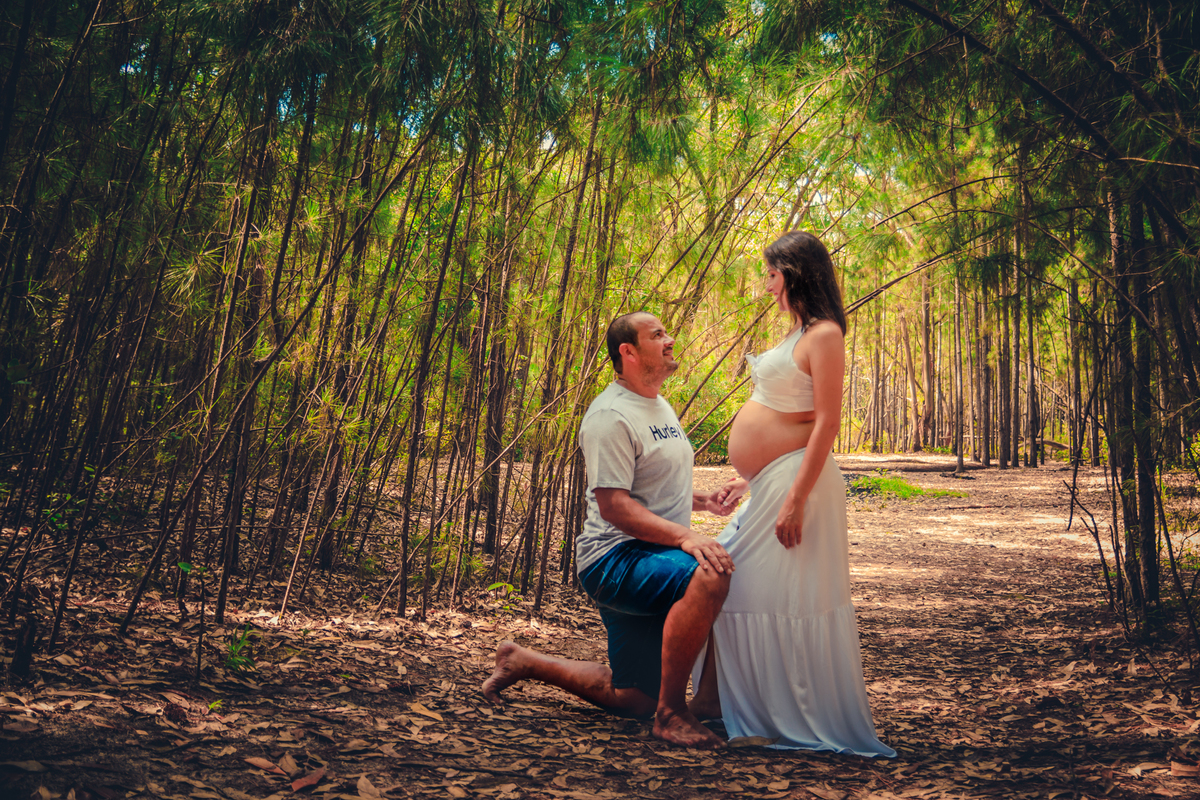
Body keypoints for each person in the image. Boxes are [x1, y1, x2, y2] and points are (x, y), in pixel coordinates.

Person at [483, 312, 737, 748]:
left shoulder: (657, 403)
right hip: (614, 559)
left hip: (650, 554)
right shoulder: (610, 416)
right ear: (628, 352)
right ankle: (676, 713)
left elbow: (646, 486)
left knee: (633, 699)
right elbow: (614, 505)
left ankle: (522, 661)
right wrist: (685, 536)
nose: (670, 340)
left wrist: (702, 501)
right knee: (710, 572)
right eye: (658, 335)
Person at [690, 231, 895, 756]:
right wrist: (750, 478)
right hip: (774, 480)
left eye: (771, 274)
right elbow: (791, 417)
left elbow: (827, 422)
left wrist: (795, 498)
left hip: (800, 485)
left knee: (759, 589)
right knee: (727, 580)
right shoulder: (797, 332)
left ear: (794, 273)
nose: (767, 285)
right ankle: (716, 699)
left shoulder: (824, 334)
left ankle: (777, 708)